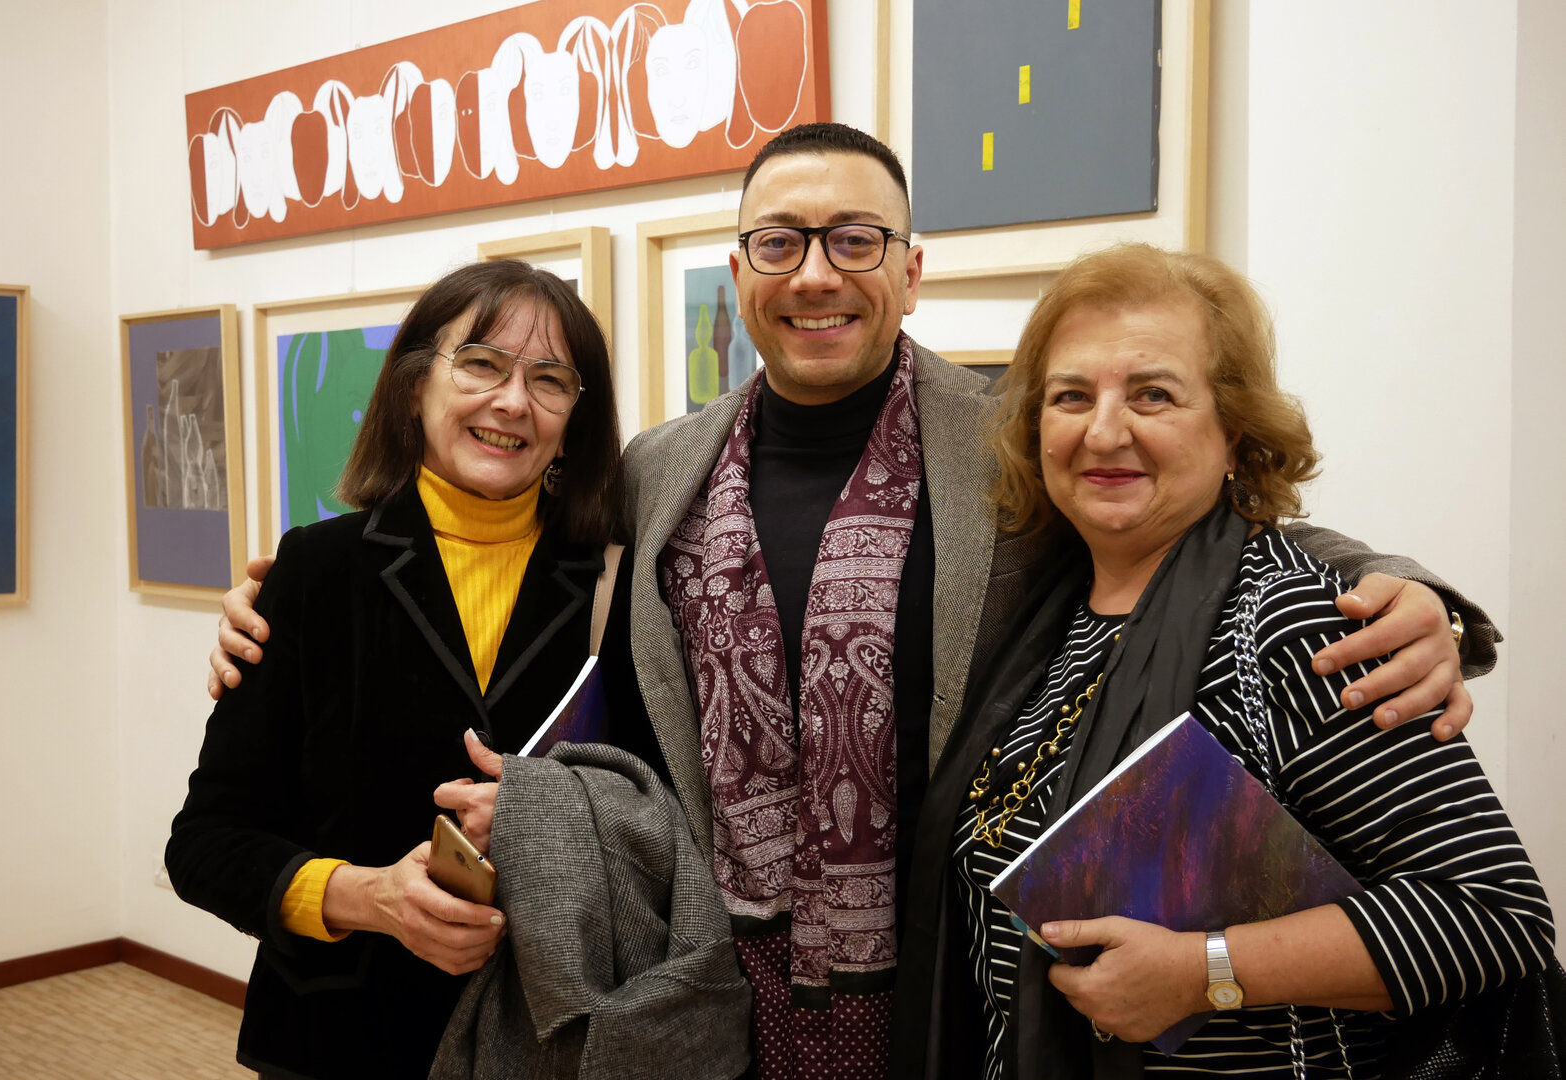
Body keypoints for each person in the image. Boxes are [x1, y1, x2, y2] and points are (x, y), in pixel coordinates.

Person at [209, 125, 1492, 1079]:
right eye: (780, 241)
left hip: (944, 978)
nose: (816, 272)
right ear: (742, 272)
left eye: (854, 240)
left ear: (909, 269)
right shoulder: (659, 468)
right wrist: (281, 589)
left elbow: (1188, 507)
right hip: (710, 976)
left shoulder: (1008, 436)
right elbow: (530, 597)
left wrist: (1411, 592)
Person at [893, 243, 1555, 1079]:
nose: (1104, 430)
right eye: (1071, 396)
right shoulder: (1039, 621)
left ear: (1234, 431)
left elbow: (1492, 916)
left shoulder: (1292, 625)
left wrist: (1203, 972)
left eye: (1153, 394)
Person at [166, 260, 627, 1079]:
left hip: (554, 1035)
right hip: (341, 1033)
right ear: (415, 386)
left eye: (550, 379)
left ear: (573, 420)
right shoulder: (315, 572)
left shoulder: (619, 587)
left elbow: (662, 808)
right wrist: (369, 897)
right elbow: (205, 844)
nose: (512, 402)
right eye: (481, 364)